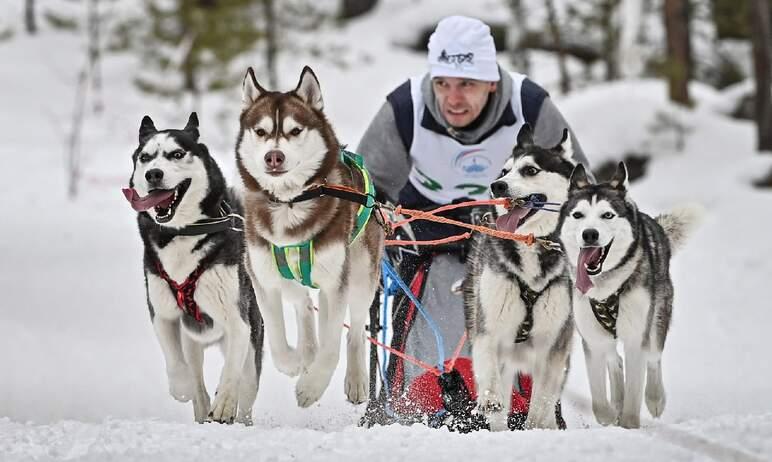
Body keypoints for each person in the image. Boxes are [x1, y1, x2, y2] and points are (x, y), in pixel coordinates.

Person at [357, 15, 591, 429]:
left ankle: (524, 405)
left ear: (492, 83)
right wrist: (383, 225)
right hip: (428, 238)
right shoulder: (405, 108)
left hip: (516, 244)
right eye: (443, 83)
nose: (453, 97)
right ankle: (424, 401)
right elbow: (367, 192)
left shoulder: (530, 107)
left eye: (467, 84)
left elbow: (578, 190)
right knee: (442, 300)